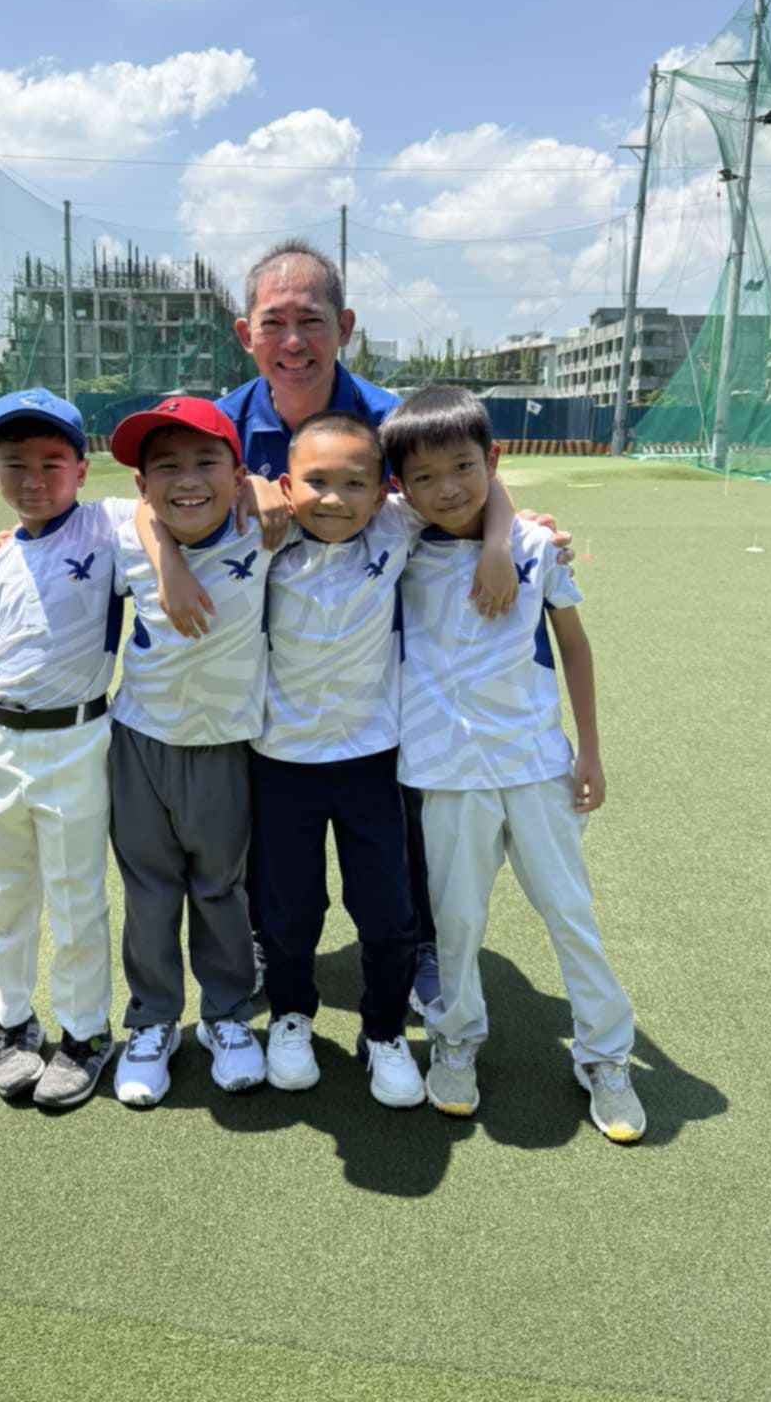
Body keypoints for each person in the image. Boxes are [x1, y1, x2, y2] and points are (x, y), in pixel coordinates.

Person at [149, 239, 572, 1014]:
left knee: (401, 812)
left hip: (389, 667)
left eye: (311, 320)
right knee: (269, 820)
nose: (293, 341)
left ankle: (421, 946)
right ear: (245, 334)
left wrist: (503, 537)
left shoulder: (390, 419)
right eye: (273, 323)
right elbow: (149, 499)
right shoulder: (222, 427)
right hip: (263, 673)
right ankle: (265, 941)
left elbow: (476, 477)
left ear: (344, 327)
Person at [382, 385, 645, 1143]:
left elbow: (575, 646)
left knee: (570, 913)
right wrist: (494, 534)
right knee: (457, 923)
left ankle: (605, 1055)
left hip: (536, 767)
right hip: (444, 775)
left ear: (493, 460)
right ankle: (456, 1039)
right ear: (402, 485)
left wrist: (589, 749)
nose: (446, 489)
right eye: (424, 476)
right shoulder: (398, 540)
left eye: (463, 468)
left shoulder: (534, 545)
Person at [0, 388, 120, 1109]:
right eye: (15, 464)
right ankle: (12, 1023)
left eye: (51, 463)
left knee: (75, 898)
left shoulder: (108, 527)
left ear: (82, 469)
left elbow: (182, 510)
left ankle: (85, 1034)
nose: (33, 480)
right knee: (4, 896)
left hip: (77, 742)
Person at [251, 410, 425, 1108]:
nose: (334, 498)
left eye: (355, 483)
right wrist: (252, 490)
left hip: (371, 761)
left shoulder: (397, 527)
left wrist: (510, 529)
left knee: (387, 910)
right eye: (316, 481)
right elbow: (147, 512)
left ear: (382, 492)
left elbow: (473, 498)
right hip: (280, 762)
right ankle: (291, 1016)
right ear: (286, 486)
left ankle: (383, 1030)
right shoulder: (261, 532)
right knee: (289, 909)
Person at [106, 397, 270, 1108]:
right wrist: (164, 556)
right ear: (142, 485)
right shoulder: (121, 533)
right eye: (166, 467)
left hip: (225, 745)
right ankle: (152, 1021)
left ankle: (227, 1015)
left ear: (239, 474)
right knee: (148, 890)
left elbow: (369, 504)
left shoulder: (266, 529)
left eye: (207, 461)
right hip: (139, 742)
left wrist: (515, 525)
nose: (188, 480)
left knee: (220, 887)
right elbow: (53, 530)